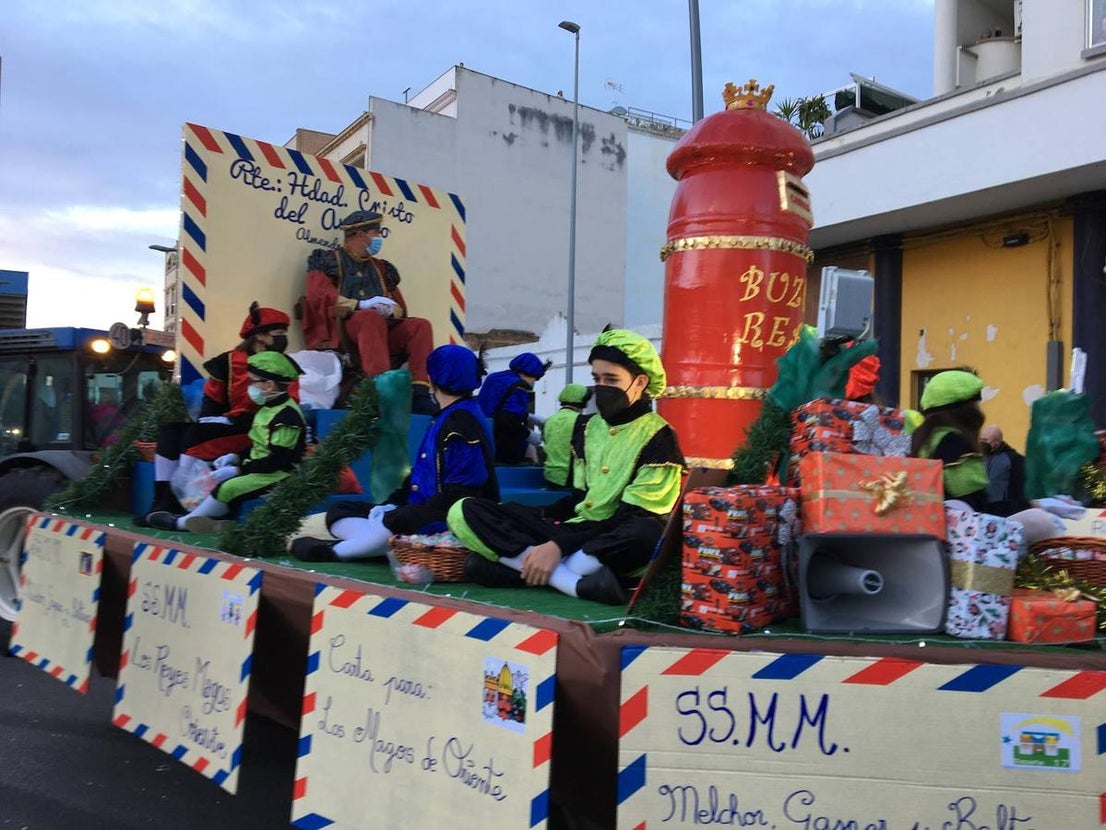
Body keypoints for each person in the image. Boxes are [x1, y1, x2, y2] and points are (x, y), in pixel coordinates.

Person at [448, 329, 686, 605]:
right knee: (464, 510)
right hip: (576, 533)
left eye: (611, 379)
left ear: (640, 382)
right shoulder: (587, 427)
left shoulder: (660, 436)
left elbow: (635, 516)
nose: (601, 387)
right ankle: (573, 582)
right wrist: (539, 515)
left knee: (646, 534)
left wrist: (558, 545)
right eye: (597, 379)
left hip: (611, 538)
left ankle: (521, 569)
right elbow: (580, 498)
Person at [290, 344, 498, 562]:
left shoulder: (462, 422)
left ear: (434, 378)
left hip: (448, 517)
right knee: (342, 510)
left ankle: (337, 551)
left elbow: (460, 494)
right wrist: (391, 503)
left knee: (394, 522)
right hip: (423, 508)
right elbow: (421, 474)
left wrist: (401, 514)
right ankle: (380, 546)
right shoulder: (447, 415)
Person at [139, 302, 293, 523]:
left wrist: (228, 420)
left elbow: (284, 403)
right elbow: (212, 399)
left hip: (258, 427)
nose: (283, 338)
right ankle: (160, 501)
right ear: (260, 336)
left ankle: (178, 503)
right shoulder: (227, 362)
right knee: (171, 432)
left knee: (195, 436)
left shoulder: (282, 365)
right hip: (227, 423)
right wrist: (212, 419)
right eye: (278, 332)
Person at [148, 351, 307, 533]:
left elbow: (279, 459)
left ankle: (182, 523)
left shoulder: (287, 417)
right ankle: (213, 521)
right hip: (259, 468)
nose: (249, 386)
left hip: (278, 474)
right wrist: (235, 458)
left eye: (253, 381)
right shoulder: (267, 409)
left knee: (228, 486)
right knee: (216, 478)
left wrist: (238, 470)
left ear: (269, 385)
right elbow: (258, 447)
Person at [301, 209, 436, 415]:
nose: (378, 238)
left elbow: (399, 306)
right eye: (375, 232)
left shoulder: (381, 268)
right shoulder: (330, 260)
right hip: (347, 328)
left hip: (382, 330)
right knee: (369, 318)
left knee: (420, 325)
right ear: (359, 234)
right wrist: (361, 304)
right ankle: (381, 390)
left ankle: (420, 391)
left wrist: (391, 310)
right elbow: (318, 295)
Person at [911, 369, 1060, 543]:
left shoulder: (922, 440)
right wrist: (1032, 505)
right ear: (965, 410)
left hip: (929, 533)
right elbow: (976, 510)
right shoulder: (955, 442)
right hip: (960, 540)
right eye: (976, 405)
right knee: (1042, 522)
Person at [478, 352, 551, 464]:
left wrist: (529, 417)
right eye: (534, 379)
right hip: (501, 443)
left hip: (482, 438)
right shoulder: (519, 386)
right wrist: (529, 435)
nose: (533, 383)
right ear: (529, 374)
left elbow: (496, 407)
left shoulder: (494, 378)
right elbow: (508, 420)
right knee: (532, 454)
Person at [541, 383, 591, 487]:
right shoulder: (582, 421)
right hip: (570, 479)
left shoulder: (548, 421)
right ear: (583, 402)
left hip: (550, 477)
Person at [980, 424, 1028, 516]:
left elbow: (1020, 487)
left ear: (997, 442)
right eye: (980, 440)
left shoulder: (1014, 459)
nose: (981, 443)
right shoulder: (980, 457)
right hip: (984, 509)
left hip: (1006, 510)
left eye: (985, 440)